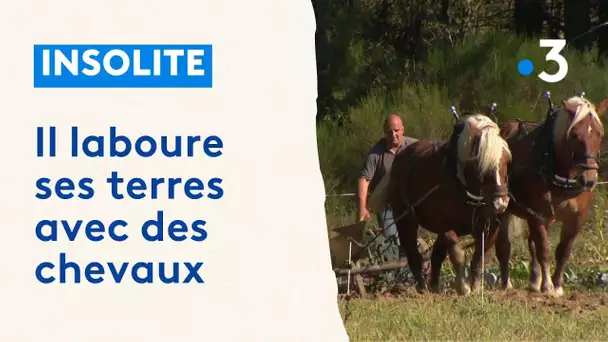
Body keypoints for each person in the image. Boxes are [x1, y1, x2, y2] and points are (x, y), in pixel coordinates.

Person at [357, 113, 418, 262]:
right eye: (390, 131)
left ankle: (409, 273)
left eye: (397, 130)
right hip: (387, 206)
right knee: (390, 240)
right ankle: (391, 274)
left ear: (402, 129)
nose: (394, 134)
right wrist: (363, 208)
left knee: (410, 238)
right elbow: (364, 180)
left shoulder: (414, 147)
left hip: (410, 204)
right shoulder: (375, 154)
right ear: (384, 132)